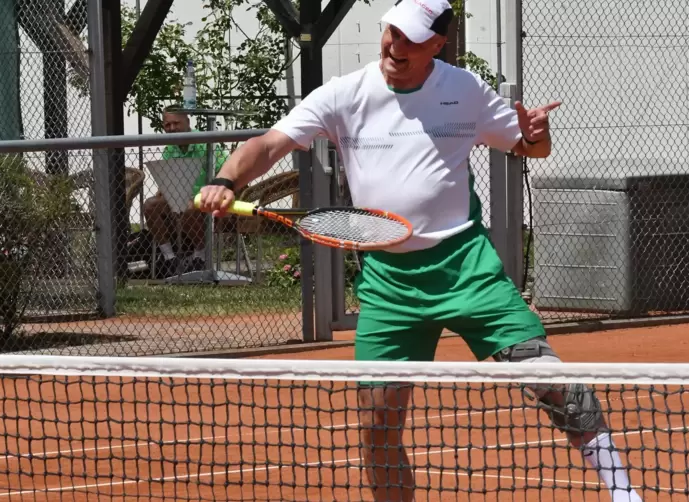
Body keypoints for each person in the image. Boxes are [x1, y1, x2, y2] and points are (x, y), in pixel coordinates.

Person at [197, 1, 642, 501]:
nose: (395, 46)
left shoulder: (464, 90)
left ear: (438, 45)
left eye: (410, 39)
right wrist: (225, 177)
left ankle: (626, 495)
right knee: (377, 427)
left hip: (469, 270)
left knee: (555, 384)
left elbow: (527, 146)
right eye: (391, 33)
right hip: (390, 286)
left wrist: (538, 135)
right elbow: (270, 144)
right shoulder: (346, 94)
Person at [143, 106, 228, 278]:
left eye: (176, 123)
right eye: (168, 125)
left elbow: (225, 172)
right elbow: (167, 178)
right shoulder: (170, 148)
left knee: (187, 206)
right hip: (178, 199)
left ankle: (200, 257)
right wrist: (163, 189)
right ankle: (169, 258)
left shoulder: (206, 143)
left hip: (207, 200)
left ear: (188, 123)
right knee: (150, 205)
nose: (172, 128)